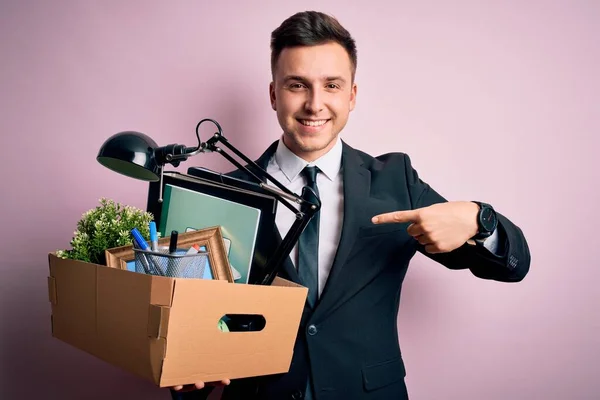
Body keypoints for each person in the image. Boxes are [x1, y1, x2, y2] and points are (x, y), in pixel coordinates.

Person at [171, 10, 530, 400]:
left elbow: (514, 267)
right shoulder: (223, 192)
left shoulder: (397, 180)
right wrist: (186, 374)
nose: (314, 103)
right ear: (273, 94)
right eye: (297, 85)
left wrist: (480, 218)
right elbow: (193, 331)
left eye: (331, 85)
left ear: (352, 96)